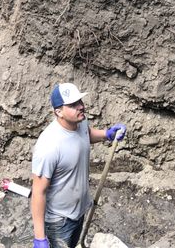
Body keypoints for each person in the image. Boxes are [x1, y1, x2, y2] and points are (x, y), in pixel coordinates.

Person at [31, 83, 126, 248]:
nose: (81, 106)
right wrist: (40, 237)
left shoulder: (80, 122)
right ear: (58, 112)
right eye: (73, 104)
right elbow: (38, 192)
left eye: (80, 101)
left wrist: (107, 134)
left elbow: (87, 134)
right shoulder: (49, 146)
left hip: (79, 211)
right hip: (59, 222)